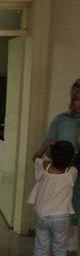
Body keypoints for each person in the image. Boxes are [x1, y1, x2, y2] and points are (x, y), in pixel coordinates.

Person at [28, 140, 77, 256]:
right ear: (70, 158)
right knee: (60, 247)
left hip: (43, 215)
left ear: (53, 156)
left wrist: (47, 145)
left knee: (40, 246)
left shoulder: (45, 166)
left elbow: (34, 157)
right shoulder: (71, 172)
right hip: (61, 217)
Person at [42, 78, 80, 225]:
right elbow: (48, 145)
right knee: (64, 217)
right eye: (77, 99)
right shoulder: (61, 120)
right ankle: (67, 247)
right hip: (64, 177)